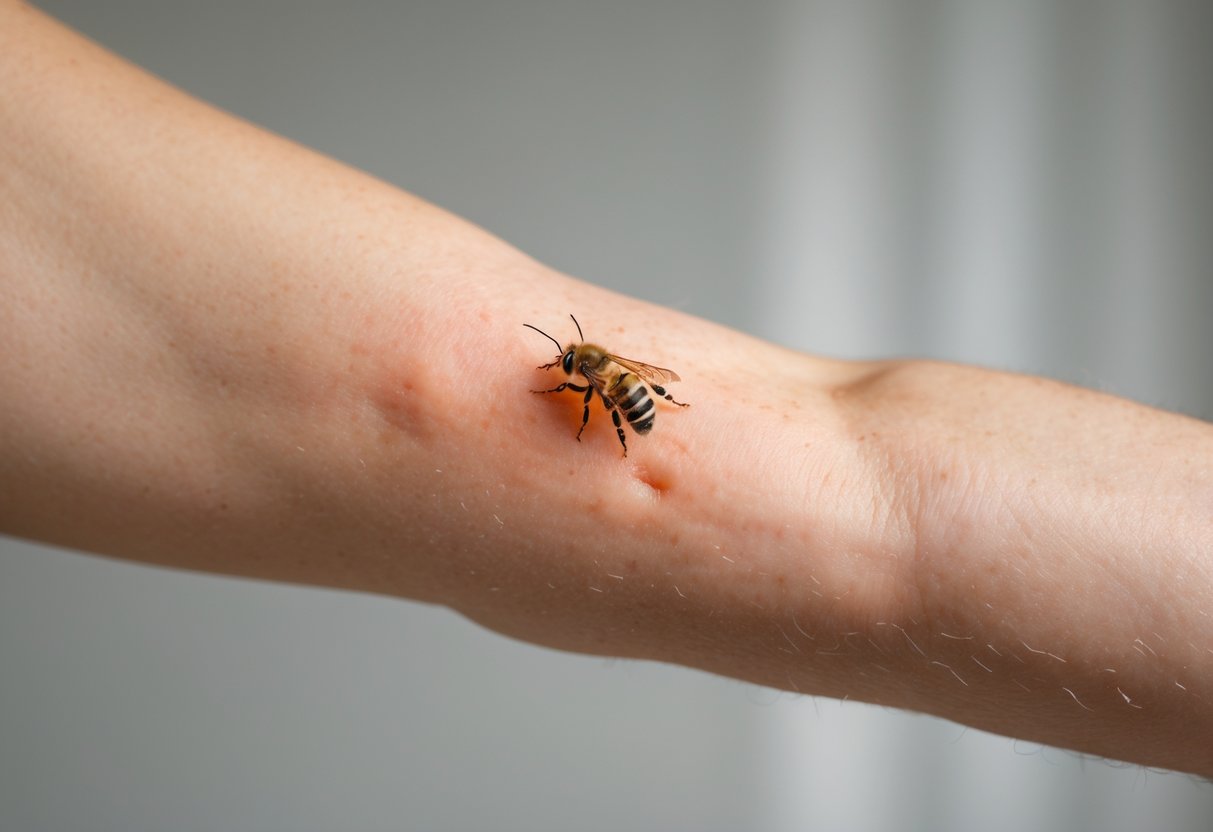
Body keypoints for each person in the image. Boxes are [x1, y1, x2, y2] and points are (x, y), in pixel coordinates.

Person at [1, 0, 1209, 778]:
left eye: (582, 372)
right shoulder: (588, 382)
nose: (578, 378)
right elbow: (415, 398)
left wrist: (845, 497)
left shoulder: (596, 390)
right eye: (586, 375)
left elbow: (872, 518)